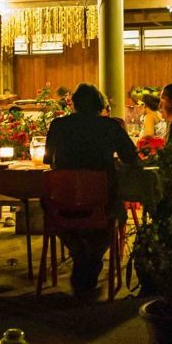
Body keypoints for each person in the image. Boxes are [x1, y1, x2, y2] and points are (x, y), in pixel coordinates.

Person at [45, 83, 138, 297]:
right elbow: (131, 158)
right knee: (113, 215)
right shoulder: (110, 127)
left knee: (60, 216)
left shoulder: (58, 126)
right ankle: (91, 257)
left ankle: (79, 253)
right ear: (100, 105)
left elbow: (49, 160)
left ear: (74, 104)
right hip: (101, 206)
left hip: (62, 205)